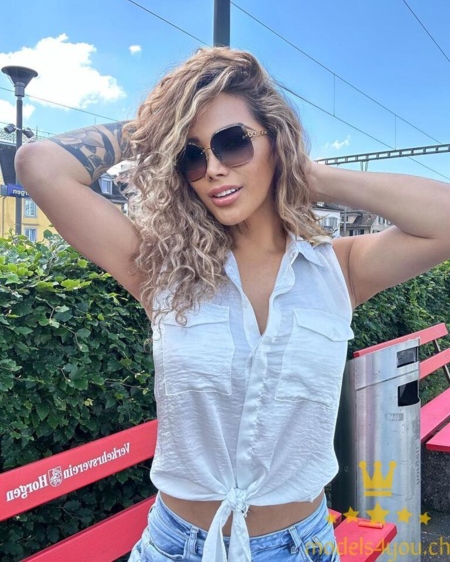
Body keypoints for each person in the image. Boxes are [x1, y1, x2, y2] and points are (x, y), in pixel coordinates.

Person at [15, 47, 450, 562]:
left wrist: (312, 177)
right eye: (191, 154)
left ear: (276, 141)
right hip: (175, 547)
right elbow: (39, 165)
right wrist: (160, 125)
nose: (213, 169)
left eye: (233, 142)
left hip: (299, 547)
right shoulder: (161, 270)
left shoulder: (340, 268)